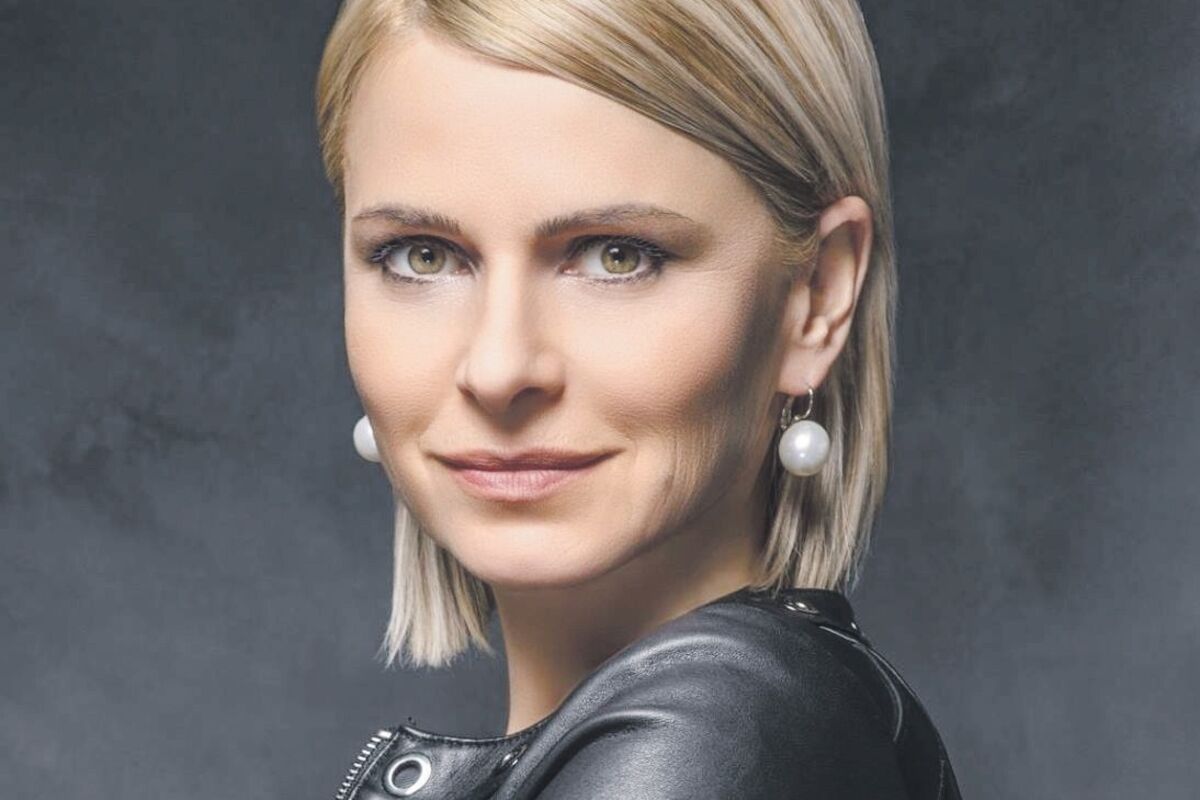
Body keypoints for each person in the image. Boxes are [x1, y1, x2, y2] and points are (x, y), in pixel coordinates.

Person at [315, 0, 962, 797]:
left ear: (817, 296)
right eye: (421, 256)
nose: (498, 368)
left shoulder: (717, 739)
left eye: (617, 256)